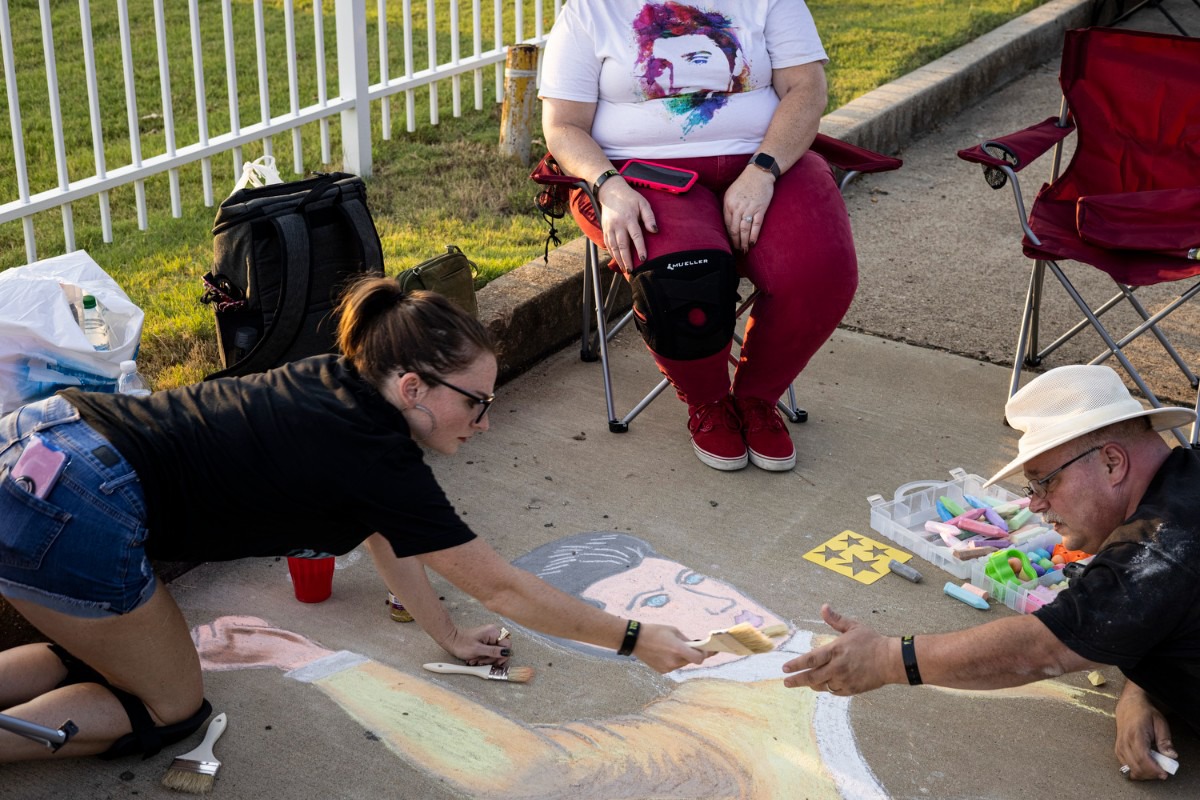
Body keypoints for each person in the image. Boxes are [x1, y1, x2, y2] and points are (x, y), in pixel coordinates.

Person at [0, 281, 708, 763]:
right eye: (477, 404)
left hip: (42, 442)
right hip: (79, 504)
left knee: (109, 649)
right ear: (413, 388)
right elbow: (507, 590)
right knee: (171, 710)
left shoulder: (335, 382)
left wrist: (451, 637)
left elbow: (387, 536)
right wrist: (635, 639)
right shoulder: (376, 461)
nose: (486, 424)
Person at [779, 364, 1199, 782]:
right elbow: (1162, 608)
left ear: (1111, 462)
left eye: (1044, 483)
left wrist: (890, 659)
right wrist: (1143, 689)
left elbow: (1045, 649)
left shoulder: (1158, 546)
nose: (1035, 505)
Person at [540, 0, 857, 472]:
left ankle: (756, 399)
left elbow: (806, 89)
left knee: (819, 271)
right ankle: (708, 403)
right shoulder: (590, 10)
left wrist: (764, 171)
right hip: (637, 175)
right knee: (681, 279)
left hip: (767, 161)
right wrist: (608, 186)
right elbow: (563, 125)